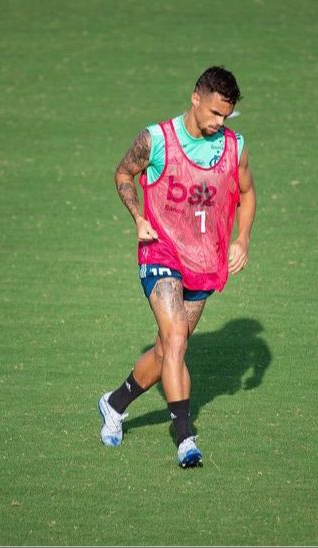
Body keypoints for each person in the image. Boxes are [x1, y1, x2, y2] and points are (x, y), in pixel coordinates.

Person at [98, 66, 257, 468]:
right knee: (177, 340)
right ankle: (185, 436)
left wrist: (242, 239)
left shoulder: (234, 147)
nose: (220, 123)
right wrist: (138, 217)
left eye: (226, 116)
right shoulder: (156, 140)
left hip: (203, 260)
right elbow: (122, 174)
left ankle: (114, 404)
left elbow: (248, 192)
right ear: (195, 98)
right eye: (215, 113)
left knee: (168, 347)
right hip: (160, 251)